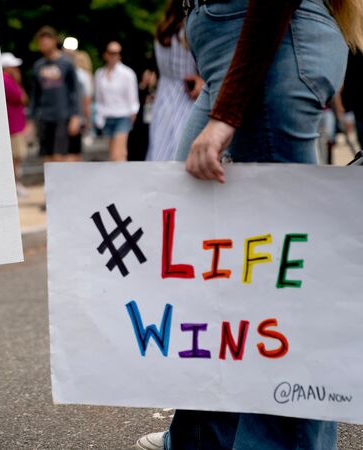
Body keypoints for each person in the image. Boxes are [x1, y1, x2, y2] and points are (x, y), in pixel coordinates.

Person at [136, 0, 359, 448]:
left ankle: (278, 441)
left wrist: (224, 116)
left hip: (271, 47)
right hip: (238, 53)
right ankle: (203, 436)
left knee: (281, 287)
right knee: (212, 265)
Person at [145, 0, 203, 162]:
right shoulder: (189, 29)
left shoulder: (161, 31)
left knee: (160, 146)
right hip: (187, 95)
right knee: (181, 146)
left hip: (164, 94)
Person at [30, 26, 81, 163]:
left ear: (53, 41)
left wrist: (75, 116)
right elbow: (35, 95)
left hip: (62, 116)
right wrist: (31, 118)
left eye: (46, 42)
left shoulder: (66, 63)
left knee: (60, 156)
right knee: (47, 157)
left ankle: (64, 184)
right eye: (40, 43)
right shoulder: (38, 66)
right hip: (45, 117)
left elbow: (75, 91)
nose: (43, 45)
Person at [94, 41, 139, 162]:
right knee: (112, 153)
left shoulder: (127, 74)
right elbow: (98, 98)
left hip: (123, 115)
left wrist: (132, 116)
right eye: (111, 53)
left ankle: (122, 179)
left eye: (117, 53)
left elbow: (133, 99)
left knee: (119, 154)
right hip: (107, 116)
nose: (114, 56)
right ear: (106, 54)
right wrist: (99, 115)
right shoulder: (99, 74)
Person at [2, 52, 29, 197]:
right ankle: (14, 184)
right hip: (13, 125)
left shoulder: (6, 80)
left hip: (14, 124)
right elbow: (22, 98)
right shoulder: (7, 80)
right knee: (15, 156)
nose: (17, 69)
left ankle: (15, 183)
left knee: (16, 156)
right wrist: (18, 82)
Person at [66, 49, 94, 162]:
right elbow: (86, 100)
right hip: (77, 117)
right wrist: (88, 121)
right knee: (75, 152)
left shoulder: (69, 73)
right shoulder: (84, 76)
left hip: (66, 116)